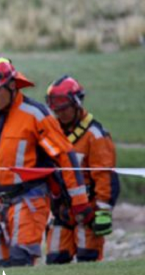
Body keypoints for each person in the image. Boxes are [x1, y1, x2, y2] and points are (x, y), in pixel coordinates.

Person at [0, 56, 91, 267]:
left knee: (20, 261)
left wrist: (79, 201)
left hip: (30, 200)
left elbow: (65, 155)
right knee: (2, 266)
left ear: (12, 85)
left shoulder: (35, 115)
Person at [44, 75, 118, 263]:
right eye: (56, 111)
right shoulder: (54, 132)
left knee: (88, 258)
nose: (60, 114)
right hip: (62, 210)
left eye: (64, 109)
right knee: (55, 258)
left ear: (77, 104)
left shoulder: (95, 136)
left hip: (88, 211)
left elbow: (105, 176)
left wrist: (103, 211)